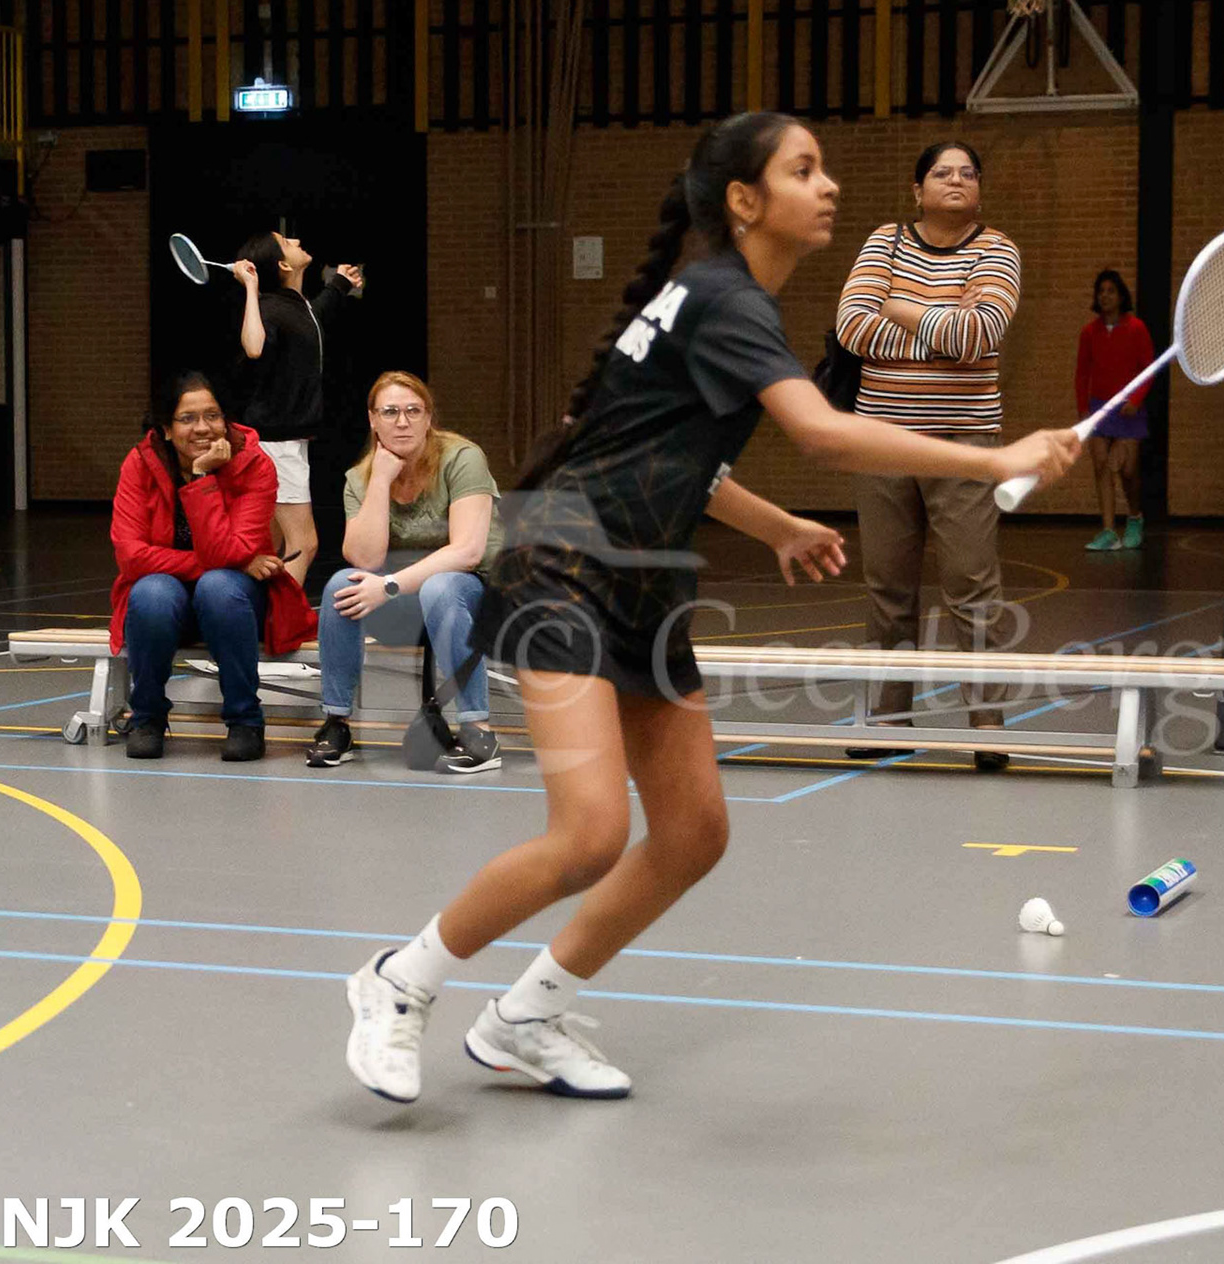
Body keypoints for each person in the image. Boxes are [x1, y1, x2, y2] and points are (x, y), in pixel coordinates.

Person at [341, 111, 1078, 1105]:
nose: (828, 186)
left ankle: (525, 1016)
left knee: (692, 831)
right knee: (591, 831)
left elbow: (663, 449)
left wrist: (773, 525)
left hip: (643, 578)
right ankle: (400, 979)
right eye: (803, 170)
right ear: (744, 200)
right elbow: (824, 434)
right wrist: (995, 458)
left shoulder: (716, 298)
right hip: (567, 566)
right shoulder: (724, 297)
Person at [833, 141, 1022, 769]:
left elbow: (980, 333)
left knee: (972, 587)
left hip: (965, 446)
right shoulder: (884, 241)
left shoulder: (997, 249)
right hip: (882, 443)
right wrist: (939, 327)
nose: (956, 180)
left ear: (979, 189)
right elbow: (852, 327)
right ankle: (887, 721)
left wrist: (898, 307)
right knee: (887, 587)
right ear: (918, 190)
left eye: (968, 172)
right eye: (942, 173)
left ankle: (987, 727)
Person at [109, 373, 319, 761]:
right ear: (166, 429)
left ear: (226, 420)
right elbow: (131, 555)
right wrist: (212, 563)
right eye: (187, 418)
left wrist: (202, 476)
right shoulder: (139, 464)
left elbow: (231, 551)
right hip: (169, 599)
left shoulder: (254, 463)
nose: (202, 427)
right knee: (152, 592)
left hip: (236, 602)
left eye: (212, 415)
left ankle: (245, 720)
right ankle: (147, 718)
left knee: (218, 587)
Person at [308, 371, 504, 774]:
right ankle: (336, 723)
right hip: (405, 595)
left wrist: (391, 585)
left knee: (441, 587)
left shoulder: (462, 458)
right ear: (372, 419)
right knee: (340, 586)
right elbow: (363, 558)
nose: (402, 421)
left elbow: (468, 551)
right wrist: (381, 480)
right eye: (390, 412)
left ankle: (479, 732)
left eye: (414, 411)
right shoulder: (360, 478)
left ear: (428, 417)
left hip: (477, 594)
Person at [232, 230, 363, 587]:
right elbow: (254, 347)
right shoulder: (270, 308)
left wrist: (339, 284)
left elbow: (314, 317)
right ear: (284, 265)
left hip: (285, 443)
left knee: (268, 545)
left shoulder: (297, 307)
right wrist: (251, 289)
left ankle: (257, 612)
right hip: (276, 446)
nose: (296, 241)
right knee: (304, 544)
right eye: (287, 243)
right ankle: (285, 617)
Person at [1076, 269, 1156, 550]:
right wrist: (1083, 409)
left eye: (1110, 291)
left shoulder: (1137, 328)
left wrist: (1136, 400)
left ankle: (1134, 518)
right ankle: (1108, 531)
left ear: (1121, 296)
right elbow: (1082, 374)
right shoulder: (1089, 332)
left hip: (1128, 409)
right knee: (1101, 465)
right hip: (1099, 407)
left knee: (1128, 470)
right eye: (1101, 291)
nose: (1105, 296)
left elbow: (1148, 369)